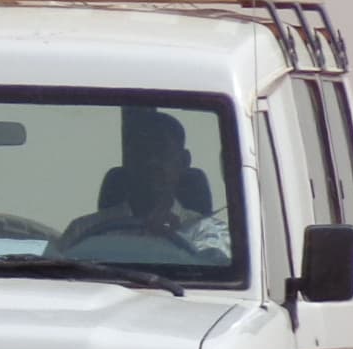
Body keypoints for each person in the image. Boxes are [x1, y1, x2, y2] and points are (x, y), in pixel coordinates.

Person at [57, 109, 229, 260]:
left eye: (162, 152)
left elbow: (213, 277)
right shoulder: (83, 231)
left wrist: (169, 240)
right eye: (141, 152)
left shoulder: (210, 233)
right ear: (127, 161)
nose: (151, 162)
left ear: (183, 162)